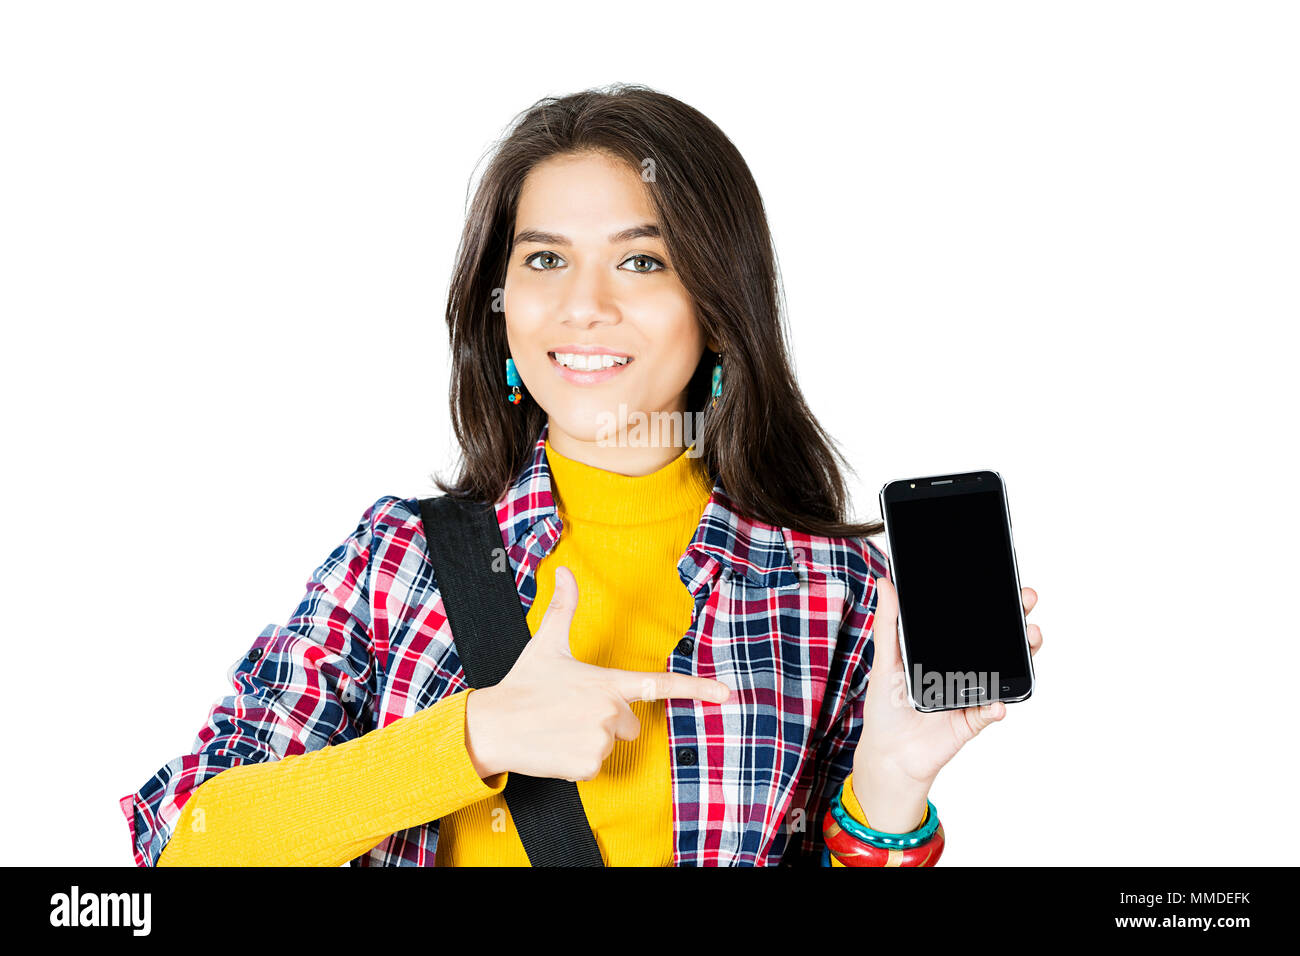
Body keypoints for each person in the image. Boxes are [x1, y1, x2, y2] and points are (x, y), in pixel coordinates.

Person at [119, 83, 1043, 867]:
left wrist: (888, 791)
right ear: (503, 305)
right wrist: (473, 737)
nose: (584, 306)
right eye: (546, 259)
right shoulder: (398, 559)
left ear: (719, 308)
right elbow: (187, 842)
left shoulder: (832, 590)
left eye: (642, 261)